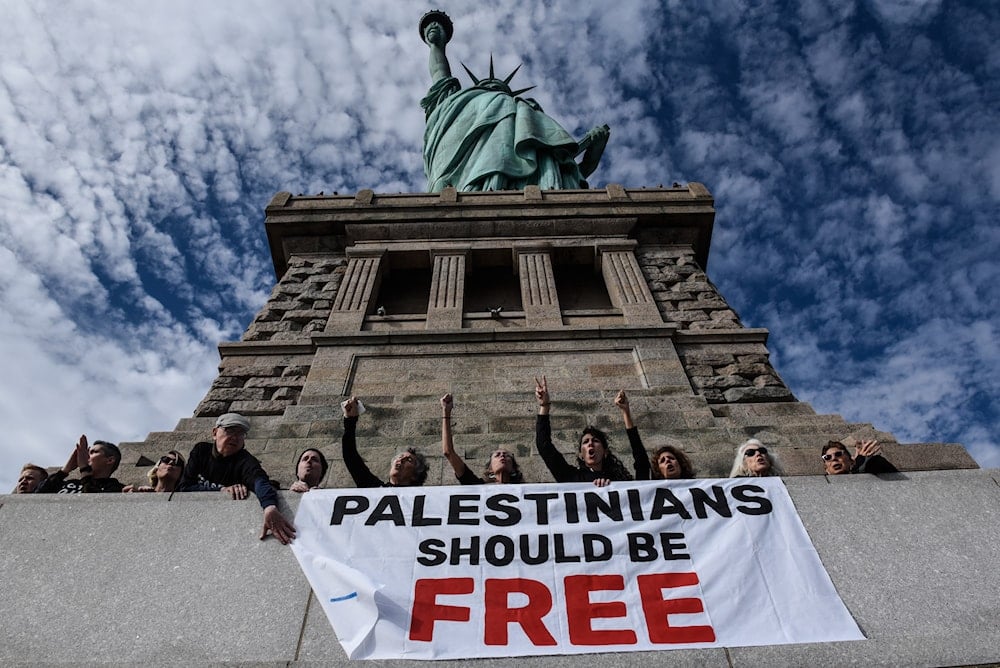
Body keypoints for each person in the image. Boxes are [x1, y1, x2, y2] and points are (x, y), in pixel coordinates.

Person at [419, 10, 610, 192]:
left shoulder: (526, 115)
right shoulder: (457, 103)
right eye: (488, 84)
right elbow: (439, 73)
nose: (493, 85)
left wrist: (596, 148)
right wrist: (436, 45)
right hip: (466, 185)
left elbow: (570, 171)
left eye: (498, 86)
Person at [178, 413, 295, 544]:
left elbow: (259, 481)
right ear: (215, 432)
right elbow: (185, 487)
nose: (235, 437)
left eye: (241, 433)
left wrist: (269, 507)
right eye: (230, 430)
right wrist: (222, 490)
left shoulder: (245, 460)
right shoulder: (201, 451)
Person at [534, 377, 645, 487]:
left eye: (595, 441)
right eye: (585, 442)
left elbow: (642, 464)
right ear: (581, 455)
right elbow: (544, 446)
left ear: (605, 452)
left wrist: (626, 413)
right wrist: (544, 406)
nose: (590, 443)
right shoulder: (571, 477)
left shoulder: (620, 482)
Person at [342, 397, 428, 487]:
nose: (401, 459)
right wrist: (350, 420)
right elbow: (350, 457)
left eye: (409, 460)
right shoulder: (374, 489)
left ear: (414, 476)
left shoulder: (422, 498)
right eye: (400, 456)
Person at [440, 394, 523, 484]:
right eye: (497, 455)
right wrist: (446, 412)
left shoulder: (527, 489)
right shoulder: (477, 487)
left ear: (513, 468)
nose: (502, 456)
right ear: (490, 469)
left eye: (507, 456)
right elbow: (448, 452)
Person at [36, 436, 124, 493]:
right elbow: (35, 497)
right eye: (87, 452)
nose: (86, 456)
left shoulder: (117, 489)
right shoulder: (69, 483)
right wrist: (65, 470)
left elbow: (94, 503)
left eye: (93, 452)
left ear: (110, 460)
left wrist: (85, 469)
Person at [822, 439, 898, 475]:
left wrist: (861, 463)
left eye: (838, 454)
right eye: (827, 457)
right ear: (826, 469)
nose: (833, 458)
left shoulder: (867, 465)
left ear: (851, 461)